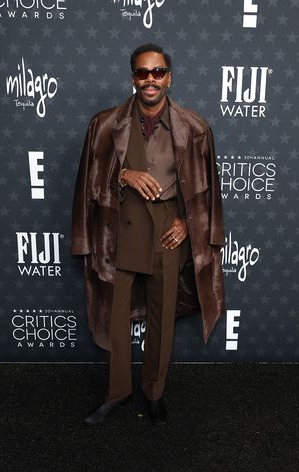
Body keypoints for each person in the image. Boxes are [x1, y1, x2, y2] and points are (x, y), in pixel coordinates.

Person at [71, 43, 225, 426]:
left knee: (162, 317)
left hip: (168, 230)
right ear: (132, 78)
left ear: (169, 78)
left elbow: (207, 190)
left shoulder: (195, 127)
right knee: (113, 316)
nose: (150, 80)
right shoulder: (104, 124)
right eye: (143, 73)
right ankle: (117, 393)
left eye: (158, 72)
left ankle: (154, 392)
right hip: (119, 230)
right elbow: (87, 185)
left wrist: (188, 225)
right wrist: (124, 174)